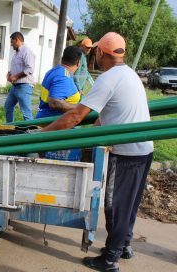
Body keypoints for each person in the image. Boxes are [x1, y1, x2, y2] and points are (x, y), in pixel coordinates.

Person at [40, 32, 153, 272]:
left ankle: (110, 260)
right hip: (144, 150)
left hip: (127, 154)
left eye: (96, 52)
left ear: (101, 53)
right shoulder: (129, 75)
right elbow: (103, 117)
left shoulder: (108, 79)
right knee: (129, 205)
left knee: (116, 206)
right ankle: (124, 247)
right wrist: (88, 137)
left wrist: (42, 135)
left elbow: (74, 115)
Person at [36, 46, 82, 118]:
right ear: (78, 63)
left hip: (46, 119)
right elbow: (54, 103)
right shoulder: (63, 77)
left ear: (62, 58)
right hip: (52, 124)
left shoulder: (52, 71)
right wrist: (79, 108)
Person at [4, 32, 36, 123]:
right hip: (15, 86)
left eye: (12, 42)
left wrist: (16, 77)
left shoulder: (27, 52)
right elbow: (17, 67)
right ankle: (10, 128)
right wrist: (9, 73)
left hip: (24, 85)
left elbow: (30, 69)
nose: (11, 44)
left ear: (17, 40)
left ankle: (32, 133)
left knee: (26, 113)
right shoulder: (16, 53)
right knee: (8, 107)